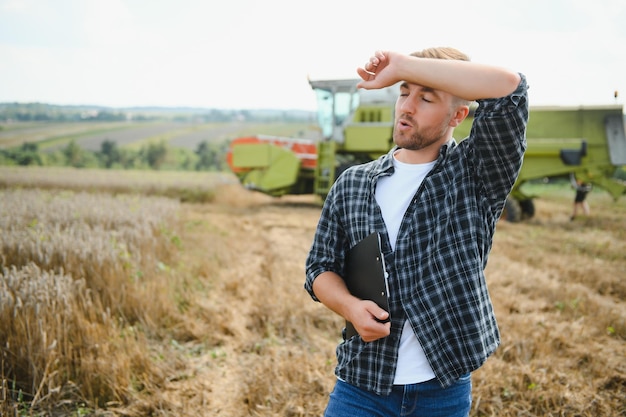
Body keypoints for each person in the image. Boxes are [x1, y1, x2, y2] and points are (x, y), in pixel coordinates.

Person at [304, 47, 529, 417]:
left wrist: (403, 65)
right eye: (404, 91)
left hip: (441, 391)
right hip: (362, 384)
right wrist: (350, 307)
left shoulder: (476, 173)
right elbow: (319, 269)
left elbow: (511, 90)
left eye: (426, 98)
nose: (407, 106)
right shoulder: (352, 184)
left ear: (459, 114)